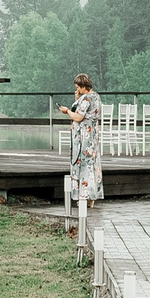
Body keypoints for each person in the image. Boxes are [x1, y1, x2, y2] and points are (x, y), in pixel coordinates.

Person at [61, 74, 103, 211]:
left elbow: (78, 116)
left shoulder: (87, 98)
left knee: (82, 163)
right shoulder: (95, 96)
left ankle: (84, 195)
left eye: (78, 87)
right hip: (92, 136)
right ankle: (91, 197)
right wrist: (77, 99)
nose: (77, 90)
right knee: (92, 163)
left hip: (83, 137)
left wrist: (67, 111)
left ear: (84, 87)